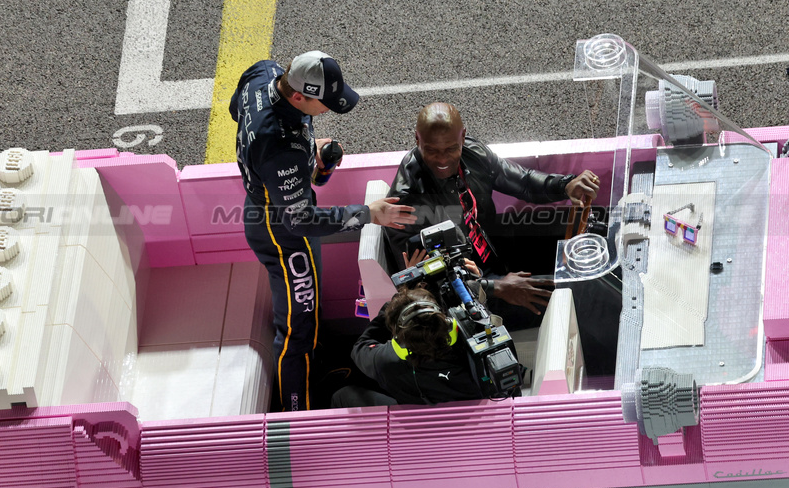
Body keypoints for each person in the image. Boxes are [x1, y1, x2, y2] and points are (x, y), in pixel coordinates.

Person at [230, 51, 416, 412]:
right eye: (325, 103)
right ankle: (297, 414)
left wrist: (302, 153)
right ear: (298, 95)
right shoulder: (280, 146)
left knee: (309, 322)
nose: (329, 109)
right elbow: (300, 220)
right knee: (298, 332)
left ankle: (309, 382)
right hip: (283, 235)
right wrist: (367, 214)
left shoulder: (261, 74)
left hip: (273, 209)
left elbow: (238, 110)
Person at [387, 102, 600, 327]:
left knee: (579, 266)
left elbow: (522, 181)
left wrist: (566, 185)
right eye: (431, 150)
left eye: (451, 149)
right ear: (417, 140)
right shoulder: (405, 202)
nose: (442, 159)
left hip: (495, 252)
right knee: (572, 295)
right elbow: (425, 285)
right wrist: (496, 287)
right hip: (470, 296)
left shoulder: (473, 152)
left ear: (463, 137)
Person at [333, 285, 484, 407]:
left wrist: (395, 303)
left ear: (397, 335)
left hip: (417, 428)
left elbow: (360, 347)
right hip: (471, 426)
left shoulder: (386, 361)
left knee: (341, 396)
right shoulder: (476, 346)